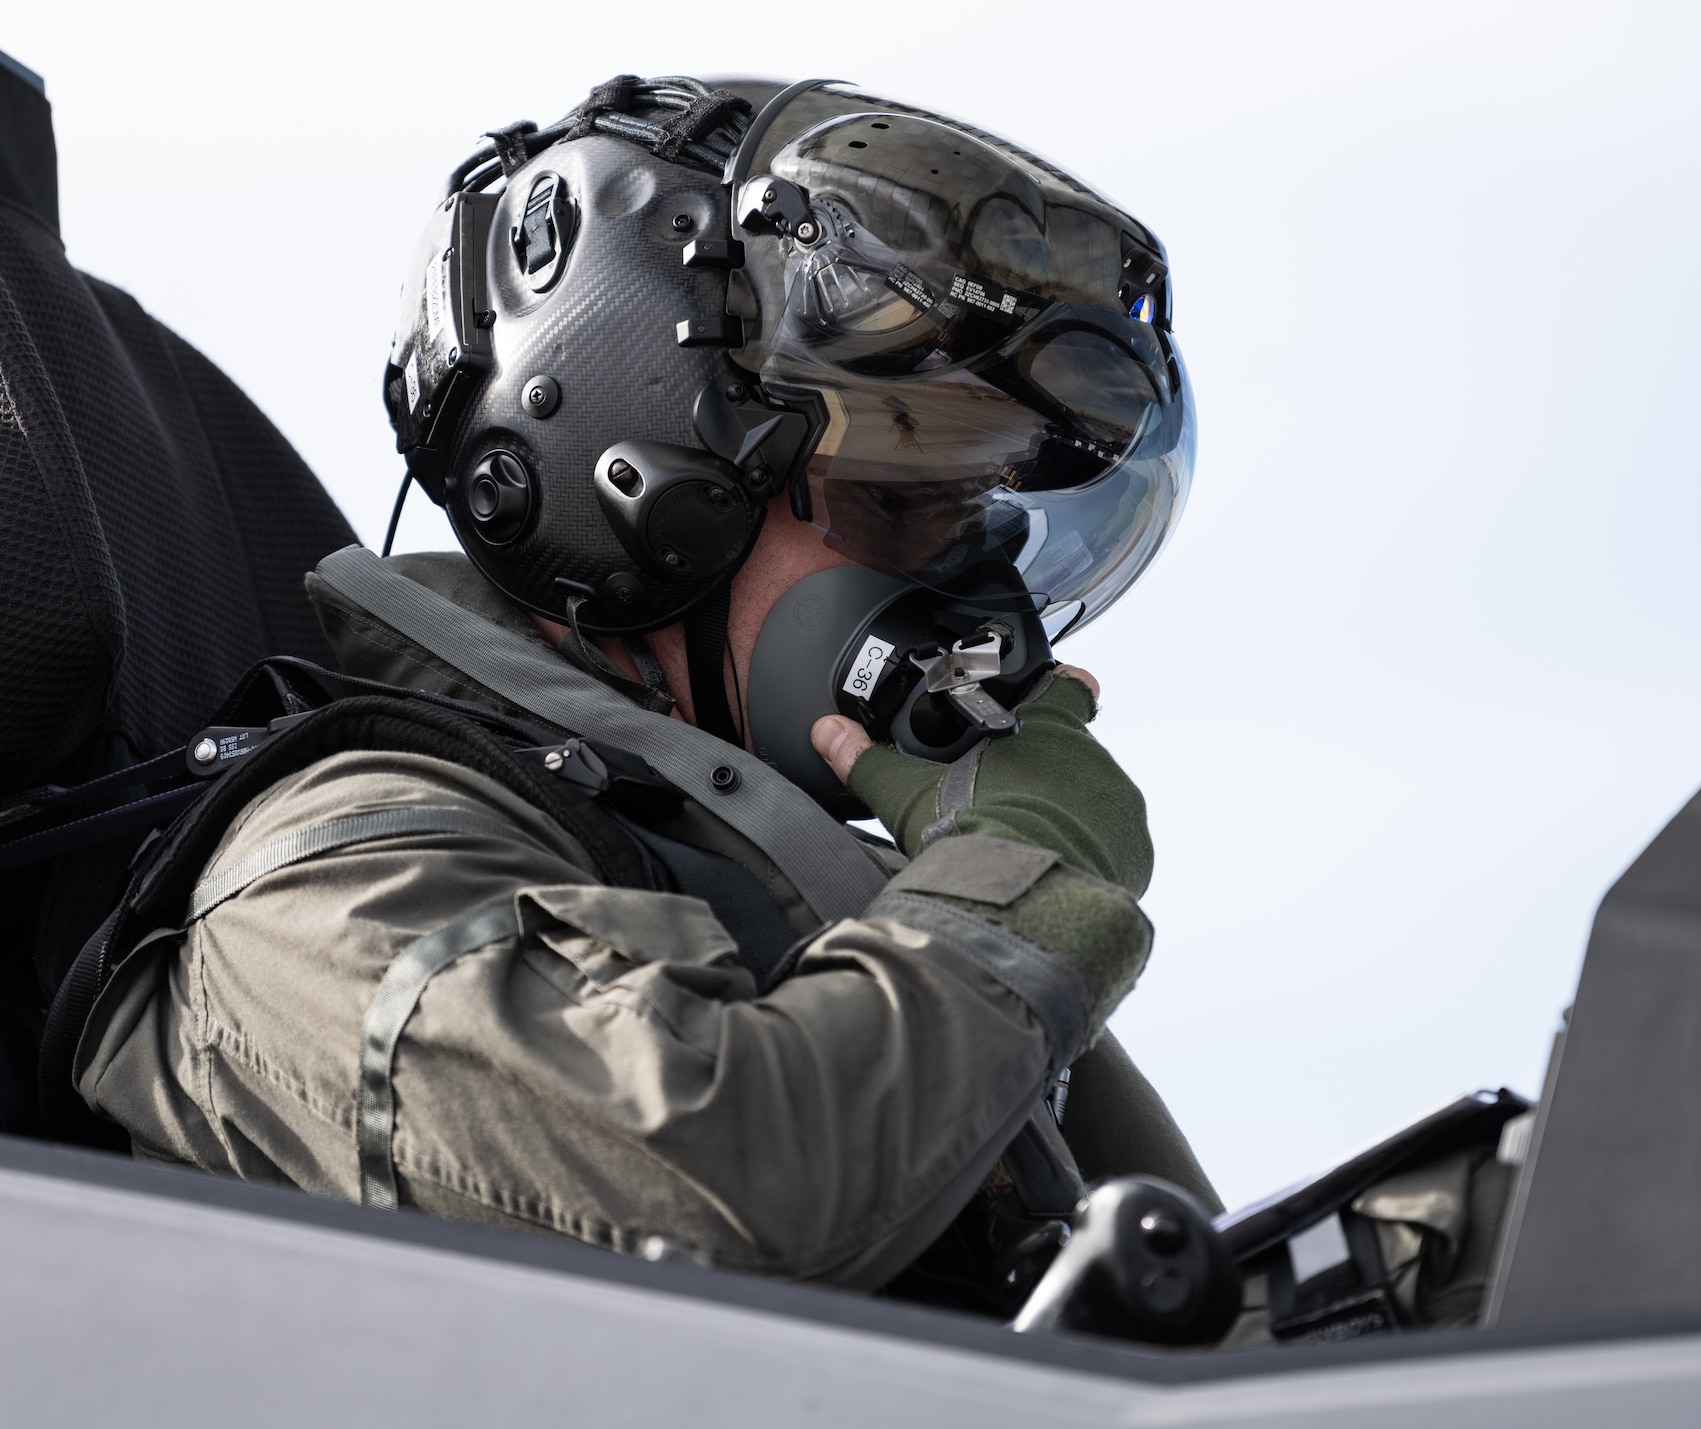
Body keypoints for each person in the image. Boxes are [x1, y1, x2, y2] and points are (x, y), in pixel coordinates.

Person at [64, 75, 1212, 1305]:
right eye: (896, 509)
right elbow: (722, 1199)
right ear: (642, 499)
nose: (978, 614)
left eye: (982, 537)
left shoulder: (871, 926)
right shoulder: (321, 878)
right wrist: (1024, 866)